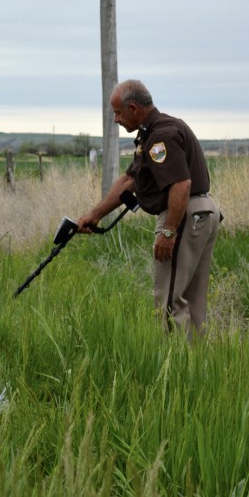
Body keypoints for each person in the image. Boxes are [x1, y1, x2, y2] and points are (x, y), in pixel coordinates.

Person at [76, 79, 221, 338]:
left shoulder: (159, 137)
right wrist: (94, 215)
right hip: (203, 211)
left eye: (118, 113)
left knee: (168, 302)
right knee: (192, 300)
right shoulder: (155, 131)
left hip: (184, 214)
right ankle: (198, 366)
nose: (115, 120)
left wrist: (168, 232)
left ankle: (174, 367)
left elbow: (180, 184)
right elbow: (130, 180)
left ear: (133, 108)